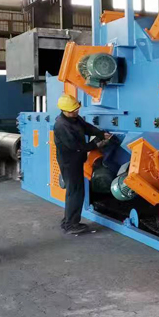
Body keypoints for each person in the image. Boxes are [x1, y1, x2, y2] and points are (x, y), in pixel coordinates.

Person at [54, 94, 111, 235]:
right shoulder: (61, 125)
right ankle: (71, 225)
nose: (76, 112)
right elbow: (76, 146)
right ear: (64, 110)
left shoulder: (73, 118)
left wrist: (100, 133)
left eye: (77, 109)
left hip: (76, 160)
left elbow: (86, 127)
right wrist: (96, 144)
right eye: (73, 111)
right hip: (69, 163)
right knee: (75, 192)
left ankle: (68, 221)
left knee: (74, 191)